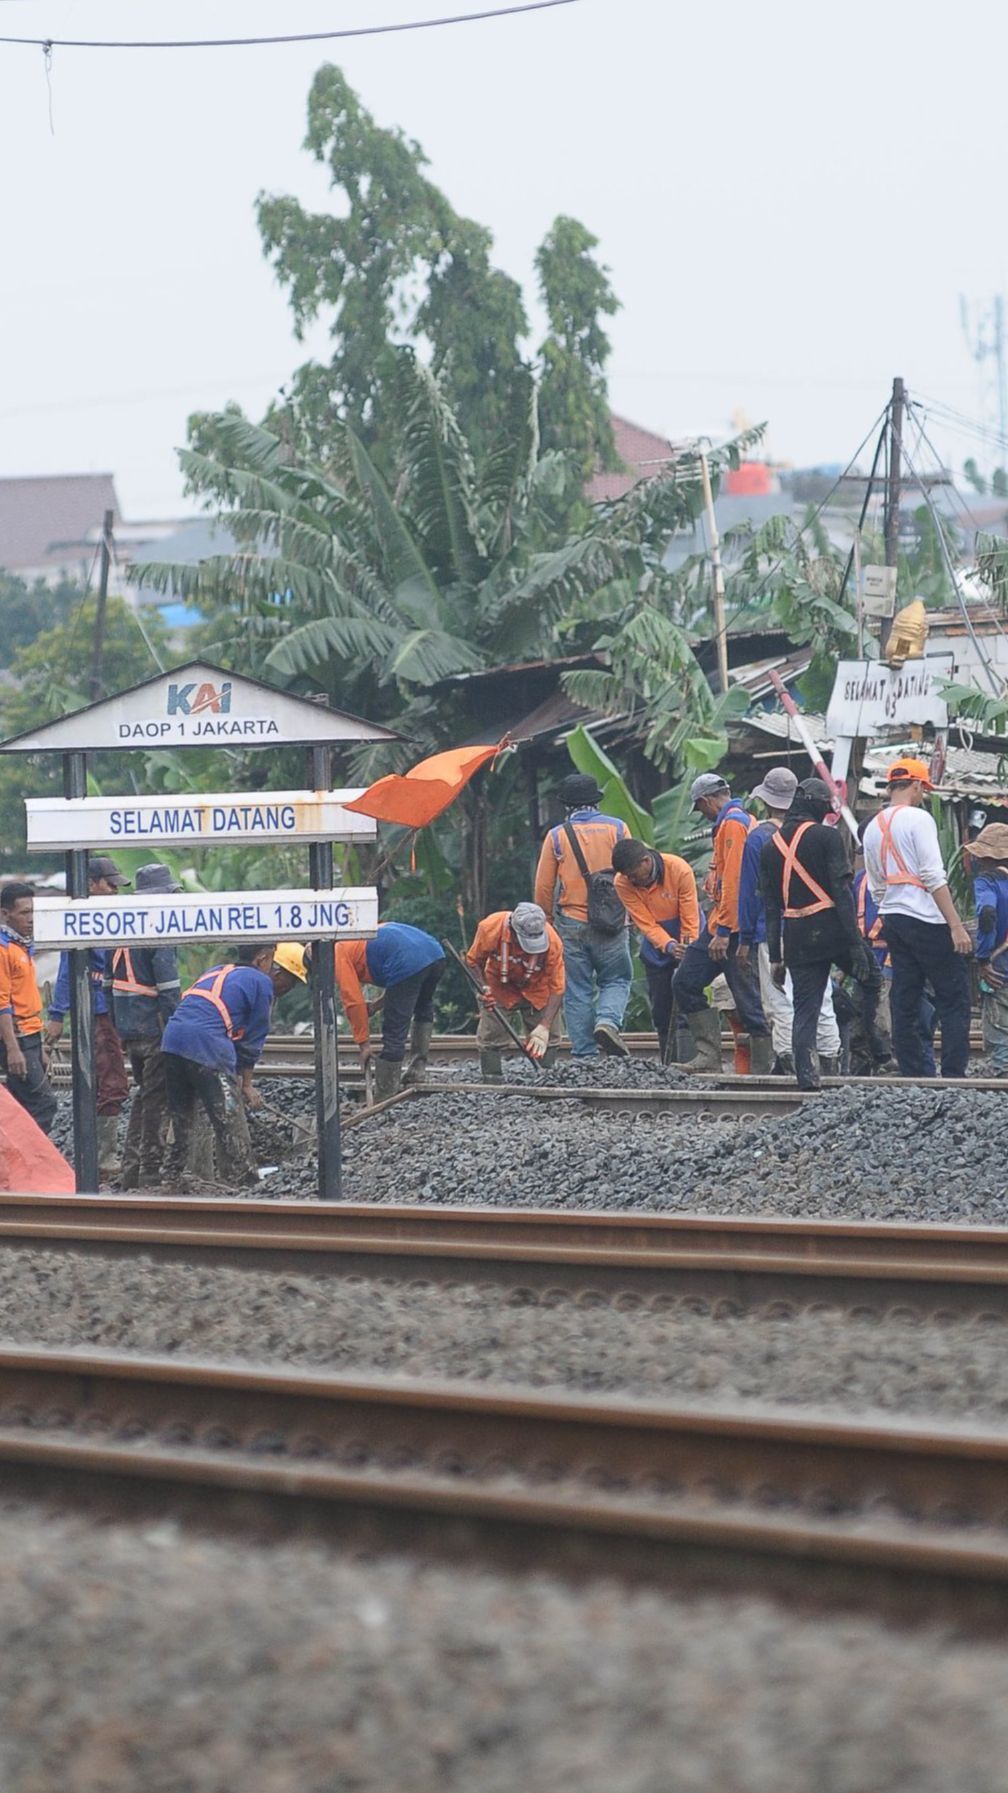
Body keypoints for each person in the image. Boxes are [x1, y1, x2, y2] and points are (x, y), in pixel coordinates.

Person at [760, 777, 881, 1090]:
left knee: (806, 1008)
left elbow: (772, 908)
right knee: (873, 979)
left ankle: (807, 1078)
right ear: (814, 802)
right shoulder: (826, 837)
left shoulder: (770, 846)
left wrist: (776, 956)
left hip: (798, 935)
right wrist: (854, 944)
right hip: (833, 931)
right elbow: (842, 893)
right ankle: (873, 1049)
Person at [862, 757, 972, 1078]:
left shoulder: (873, 827)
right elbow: (933, 876)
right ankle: (953, 1075)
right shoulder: (919, 820)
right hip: (927, 918)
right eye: (922, 788)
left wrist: (890, 910)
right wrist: (955, 925)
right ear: (914, 786)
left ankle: (913, 1073)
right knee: (953, 997)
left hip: (894, 919)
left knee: (905, 998)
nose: (923, 794)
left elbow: (875, 885)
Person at [736, 766, 842, 1075]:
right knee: (819, 997)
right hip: (816, 928)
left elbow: (751, 895)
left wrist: (744, 939)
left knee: (779, 999)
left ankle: (789, 1064)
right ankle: (830, 1062)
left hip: (774, 934)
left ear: (766, 801)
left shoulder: (759, 839)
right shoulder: (820, 835)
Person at [670, 773, 771, 1072]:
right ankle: (708, 1055)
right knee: (686, 982)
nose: (702, 814)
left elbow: (735, 881)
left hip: (733, 929)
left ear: (706, 800)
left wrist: (725, 932)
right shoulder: (736, 822)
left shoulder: (733, 824)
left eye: (700, 808)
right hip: (719, 925)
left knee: (748, 1000)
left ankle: (763, 1069)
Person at [160, 944, 278, 1190]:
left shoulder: (216, 971)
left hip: (172, 1040)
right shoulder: (261, 982)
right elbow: (253, 1039)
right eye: (272, 962)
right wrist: (245, 1085)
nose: (272, 969)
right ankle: (244, 1180)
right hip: (206, 1043)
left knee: (181, 1115)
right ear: (262, 959)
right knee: (229, 1115)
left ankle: (171, 1176)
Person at [534, 773, 632, 1058]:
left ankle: (585, 1054)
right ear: (595, 801)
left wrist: (547, 924)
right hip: (613, 921)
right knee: (616, 979)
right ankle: (607, 1022)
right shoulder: (618, 829)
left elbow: (543, 885)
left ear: (566, 804)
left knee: (576, 988)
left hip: (572, 922)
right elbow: (631, 872)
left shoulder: (557, 836)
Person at [45, 855, 131, 1177]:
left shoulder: (109, 917)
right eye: (110, 885)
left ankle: (97, 1157)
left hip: (111, 1009)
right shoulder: (83, 921)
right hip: (99, 1011)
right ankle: (103, 1160)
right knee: (111, 1082)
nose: (114, 892)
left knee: (105, 1081)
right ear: (91, 884)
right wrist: (56, 1015)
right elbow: (69, 970)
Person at [106, 864, 182, 1189]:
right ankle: (149, 1171)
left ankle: (132, 1168)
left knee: (143, 1095)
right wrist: (177, 1030)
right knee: (156, 1099)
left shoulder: (121, 931)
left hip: (129, 1028)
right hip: (153, 1028)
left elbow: (110, 986)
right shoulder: (158, 931)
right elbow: (169, 991)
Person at [335, 921, 445, 1099]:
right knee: (423, 1006)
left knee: (394, 1027)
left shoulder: (337, 951)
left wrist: (364, 1045)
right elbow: (402, 989)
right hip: (435, 954)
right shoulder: (363, 935)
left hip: (407, 961)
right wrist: (376, 1006)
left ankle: (386, 1092)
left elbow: (353, 1001)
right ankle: (417, 1071)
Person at [611, 838, 700, 1054]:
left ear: (646, 861)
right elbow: (645, 923)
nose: (631, 879)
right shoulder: (622, 882)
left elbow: (690, 915)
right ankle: (667, 1058)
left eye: (633, 874)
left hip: (687, 933)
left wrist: (688, 946)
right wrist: (668, 945)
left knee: (688, 1001)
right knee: (661, 1008)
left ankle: (691, 1056)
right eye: (627, 876)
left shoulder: (678, 869)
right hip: (656, 942)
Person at [466, 901, 565, 1081]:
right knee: (491, 1034)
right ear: (512, 930)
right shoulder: (490, 928)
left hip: (537, 989)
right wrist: (482, 988)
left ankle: (546, 1078)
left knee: (548, 1038)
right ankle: (492, 1079)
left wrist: (545, 1026)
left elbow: (557, 987)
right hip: (498, 986)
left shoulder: (553, 942)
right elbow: (473, 961)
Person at [0, 881, 57, 1136]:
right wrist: (13, 1049)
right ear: (5, 914)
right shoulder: (3, 950)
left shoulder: (20, 946)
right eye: (24, 913)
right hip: (18, 1038)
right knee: (44, 1104)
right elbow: (2, 1002)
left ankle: (16, 1167)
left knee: (22, 1106)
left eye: (33, 911)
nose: (31, 919)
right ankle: (27, 1168)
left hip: (29, 1037)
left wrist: (39, 1050)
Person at [966, 822, 1008, 1075]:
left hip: (1000, 964)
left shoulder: (987, 882)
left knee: (999, 1027)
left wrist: (982, 958)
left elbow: (987, 915)